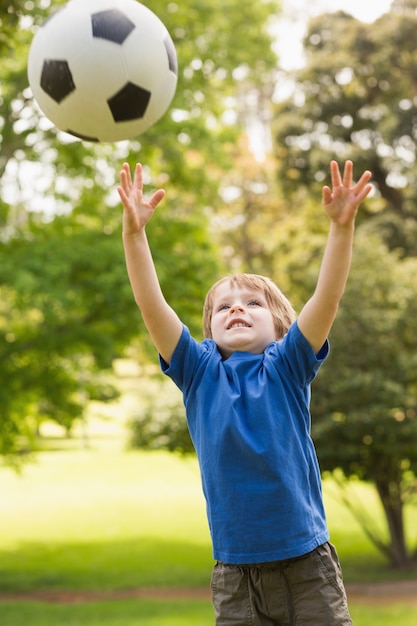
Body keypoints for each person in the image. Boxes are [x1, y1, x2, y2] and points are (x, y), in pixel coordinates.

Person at [118, 160, 372, 626]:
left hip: (305, 564)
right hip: (235, 574)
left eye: (253, 303)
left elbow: (326, 298)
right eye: (223, 307)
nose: (237, 309)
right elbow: (150, 303)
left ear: (280, 326)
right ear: (209, 328)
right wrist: (134, 235)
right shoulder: (198, 371)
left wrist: (341, 227)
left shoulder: (287, 365)